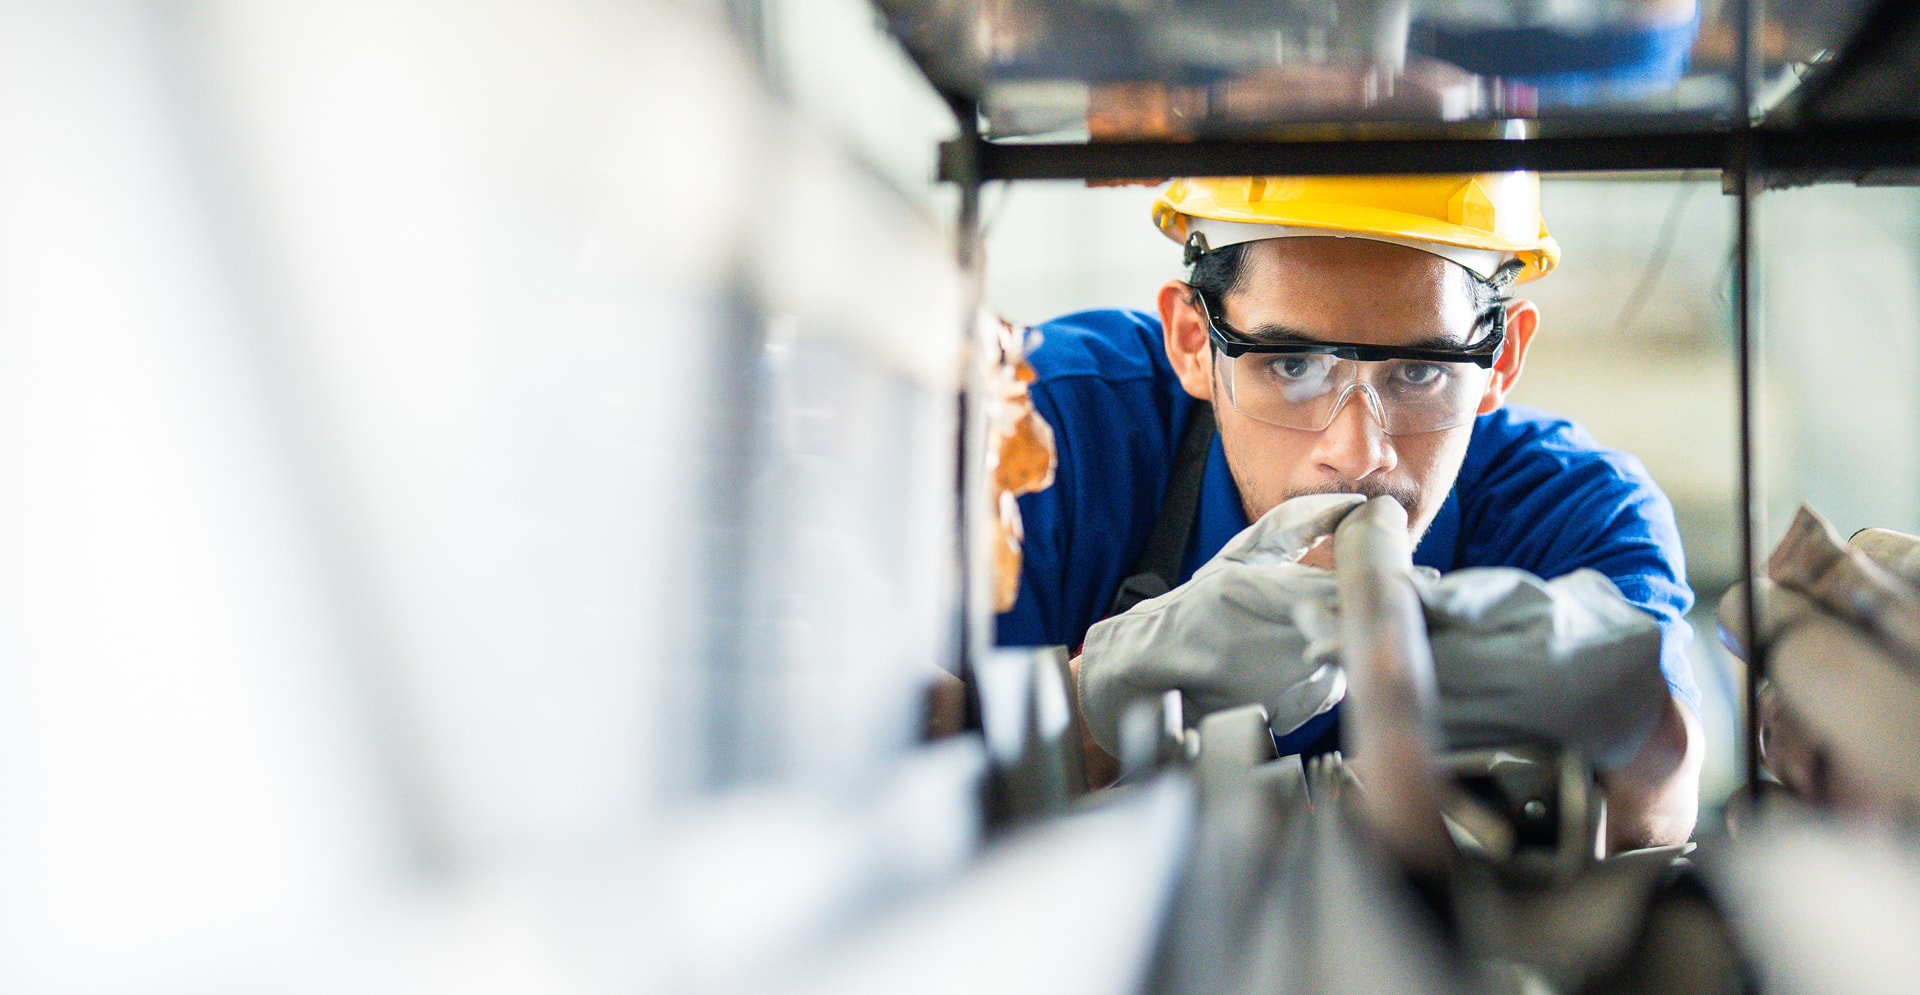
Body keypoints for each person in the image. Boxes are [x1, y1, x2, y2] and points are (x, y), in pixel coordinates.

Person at [996, 173, 1702, 849]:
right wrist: (1090, 702)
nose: (1359, 454)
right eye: (1292, 365)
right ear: (1192, 340)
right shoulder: (1039, 436)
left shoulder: (1571, 512)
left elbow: (1661, 813)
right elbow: (896, 769)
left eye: (1419, 372)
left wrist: (1633, 726)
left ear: (1502, 360)